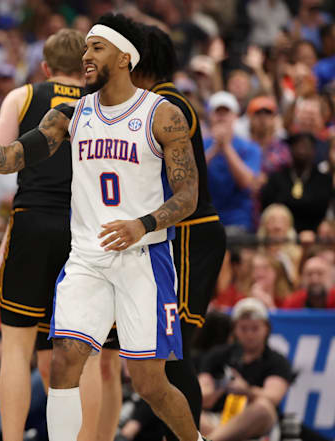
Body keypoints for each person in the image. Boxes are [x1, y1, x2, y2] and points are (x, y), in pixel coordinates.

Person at [0, 13, 205, 441]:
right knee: (65, 360)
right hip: (85, 259)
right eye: (86, 48)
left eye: (96, 48)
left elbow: (188, 196)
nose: (86, 56)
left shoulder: (162, 115)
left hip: (142, 257)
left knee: (150, 384)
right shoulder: (69, 114)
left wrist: (142, 224)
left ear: (125, 57)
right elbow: (15, 155)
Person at [0, 28, 120, 441]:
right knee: (86, 354)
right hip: (88, 230)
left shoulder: (25, 96)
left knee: (15, 349)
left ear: (45, 67)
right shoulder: (105, 104)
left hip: (32, 222)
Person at [131, 23, 227, 440]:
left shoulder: (169, 105)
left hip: (191, 234)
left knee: (175, 349)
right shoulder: (154, 103)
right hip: (176, 236)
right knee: (163, 354)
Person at [198, 298, 293, 441]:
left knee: (264, 408)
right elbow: (200, 395)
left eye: (255, 328)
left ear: (266, 328)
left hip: (251, 422)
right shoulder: (217, 355)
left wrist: (246, 390)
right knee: (185, 411)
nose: (249, 334)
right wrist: (221, 388)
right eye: (243, 328)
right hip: (215, 419)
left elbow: (273, 397)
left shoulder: (277, 361)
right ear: (235, 329)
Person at [203, 91, 261, 234]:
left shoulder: (250, 148)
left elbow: (247, 183)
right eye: (217, 112)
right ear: (210, 116)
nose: (221, 117)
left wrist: (226, 147)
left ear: (235, 116)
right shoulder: (200, 146)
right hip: (206, 220)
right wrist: (215, 148)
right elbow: (191, 180)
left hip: (238, 220)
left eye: (226, 113)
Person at [260, 131, 333, 234]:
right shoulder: (277, 177)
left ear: (314, 151)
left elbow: (322, 208)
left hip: (314, 235)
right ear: (290, 149)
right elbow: (268, 206)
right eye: (298, 145)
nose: (302, 150)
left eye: (306, 146)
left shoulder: (324, 180)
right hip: (280, 234)